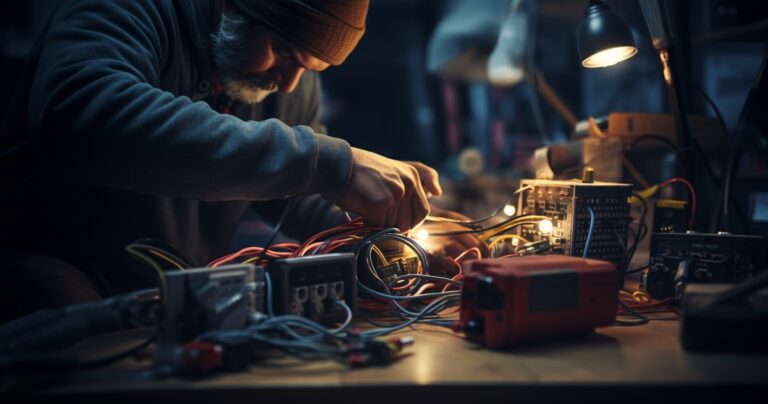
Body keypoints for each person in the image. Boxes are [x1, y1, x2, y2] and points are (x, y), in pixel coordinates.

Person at [0, 0, 478, 321]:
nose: (289, 83)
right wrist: (334, 164)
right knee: (82, 336)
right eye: (284, 52)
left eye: (311, 68)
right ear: (232, 4)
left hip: (172, 293)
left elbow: (297, 192)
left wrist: (393, 238)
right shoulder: (133, 9)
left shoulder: (285, 80)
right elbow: (79, 113)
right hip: (52, 263)